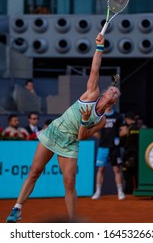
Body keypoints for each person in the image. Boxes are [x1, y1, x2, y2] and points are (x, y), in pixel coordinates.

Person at [6, 33, 121, 223]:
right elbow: (95, 69)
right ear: (105, 92)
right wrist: (99, 47)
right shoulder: (92, 93)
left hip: (71, 143)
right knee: (35, 171)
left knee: (69, 182)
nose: (113, 91)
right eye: (112, 89)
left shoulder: (100, 121)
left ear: (115, 100)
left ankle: (71, 221)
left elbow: (83, 136)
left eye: (116, 92)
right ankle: (17, 208)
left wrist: (85, 120)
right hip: (54, 132)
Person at [91, 105, 125, 200]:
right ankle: (98, 192)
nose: (109, 104)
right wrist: (102, 138)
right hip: (103, 147)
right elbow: (93, 130)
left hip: (114, 148)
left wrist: (117, 137)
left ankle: (120, 192)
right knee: (101, 169)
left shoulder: (118, 116)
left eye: (111, 102)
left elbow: (124, 130)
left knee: (117, 170)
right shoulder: (99, 116)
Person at [119, 111, 140, 194]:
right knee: (136, 173)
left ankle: (129, 191)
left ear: (127, 119)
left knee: (127, 174)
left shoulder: (129, 129)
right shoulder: (139, 128)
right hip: (137, 154)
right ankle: (138, 189)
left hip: (129, 154)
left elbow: (126, 142)